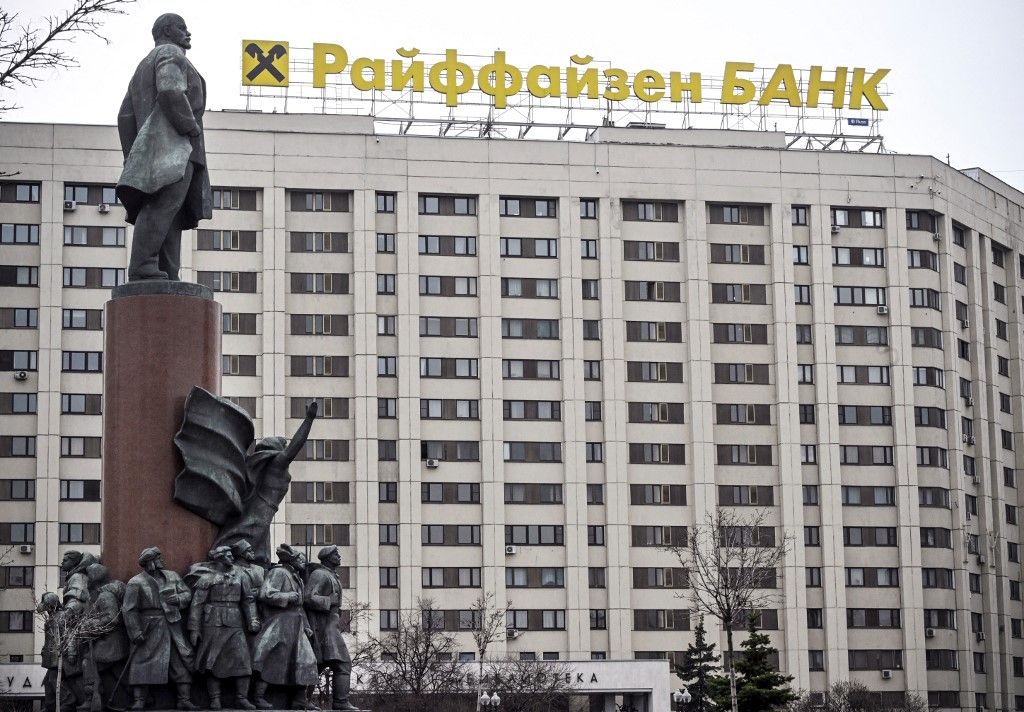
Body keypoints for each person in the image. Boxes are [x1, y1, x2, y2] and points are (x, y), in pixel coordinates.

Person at [116, 13, 211, 281]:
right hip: (176, 148)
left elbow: (124, 116)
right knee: (164, 205)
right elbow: (170, 91)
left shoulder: (143, 66)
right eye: (183, 27)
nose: (188, 32)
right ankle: (143, 266)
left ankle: (168, 272)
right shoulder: (170, 53)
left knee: (173, 213)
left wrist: (134, 155)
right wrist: (189, 127)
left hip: (155, 150)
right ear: (168, 30)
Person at [121, 547, 196, 710]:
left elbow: (187, 594)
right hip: (149, 626)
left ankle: (184, 699)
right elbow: (129, 609)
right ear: (150, 562)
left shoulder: (172, 576)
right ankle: (139, 700)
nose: (162, 560)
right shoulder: (136, 582)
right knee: (142, 661)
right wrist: (135, 632)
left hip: (172, 624)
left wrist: (179, 599)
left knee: (180, 660)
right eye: (159, 557)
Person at [187, 546, 259, 710]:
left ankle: (241, 698)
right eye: (227, 555)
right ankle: (215, 699)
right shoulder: (206, 578)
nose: (231, 557)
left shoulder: (240, 575)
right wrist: (194, 629)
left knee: (243, 660)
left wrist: (253, 619)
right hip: (213, 621)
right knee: (213, 661)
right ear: (218, 558)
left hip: (235, 621)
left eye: (231, 554)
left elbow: (248, 600)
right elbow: (197, 604)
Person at [251, 544, 318, 710]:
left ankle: (300, 700)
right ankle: (258, 697)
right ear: (292, 560)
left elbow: (300, 606)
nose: (304, 563)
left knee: (306, 661)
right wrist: (287, 596)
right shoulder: (278, 572)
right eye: (301, 559)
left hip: (296, 625)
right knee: (272, 659)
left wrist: (306, 626)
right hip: (280, 622)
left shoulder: (298, 578)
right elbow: (265, 593)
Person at [304, 546, 357, 711]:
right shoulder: (320, 574)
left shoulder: (331, 575)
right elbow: (308, 597)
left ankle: (302, 699)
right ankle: (340, 702)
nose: (339, 556)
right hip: (323, 626)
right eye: (336, 554)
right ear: (327, 558)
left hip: (330, 623)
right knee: (342, 663)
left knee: (319, 664)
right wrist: (329, 601)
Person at [81, 564, 129, 712]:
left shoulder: (105, 596)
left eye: (88, 576)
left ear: (94, 577)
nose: (86, 579)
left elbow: (112, 618)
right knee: (119, 671)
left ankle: (92, 697)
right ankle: (141, 695)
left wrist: (91, 624)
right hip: (108, 640)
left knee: (88, 662)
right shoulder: (98, 595)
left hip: (112, 642)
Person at [38, 592, 72, 712]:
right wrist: (44, 649)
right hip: (51, 657)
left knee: (53, 680)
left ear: (52, 606)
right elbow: (49, 639)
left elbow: (69, 635)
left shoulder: (63, 616)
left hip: (60, 656)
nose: (46, 611)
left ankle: (68, 699)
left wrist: (71, 652)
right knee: (48, 682)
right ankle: (50, 706)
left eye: (47, 608)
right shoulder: (50, 619)